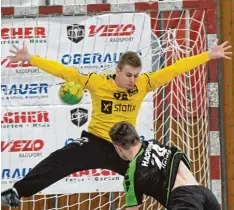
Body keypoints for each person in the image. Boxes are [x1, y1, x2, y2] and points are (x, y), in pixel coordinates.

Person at [1, 39, 231, 208]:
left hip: (124, 147)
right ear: (118, 71)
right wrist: (30, 58)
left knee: (157, 179)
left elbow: (174, 69)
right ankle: (17, 191)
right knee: (59, 160)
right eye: (129, 75)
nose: (133, 80)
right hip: (95, 142)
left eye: (136, 75)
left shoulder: (144, 83)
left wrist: (207, 56)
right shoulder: (97, 82)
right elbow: (63, 71)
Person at [109, 121, 221, 210]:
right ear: (137, 137)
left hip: (183, 201)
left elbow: (133, 208)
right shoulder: (154, 144)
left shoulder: (132, 174)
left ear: (118, 148)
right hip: (205, 193)